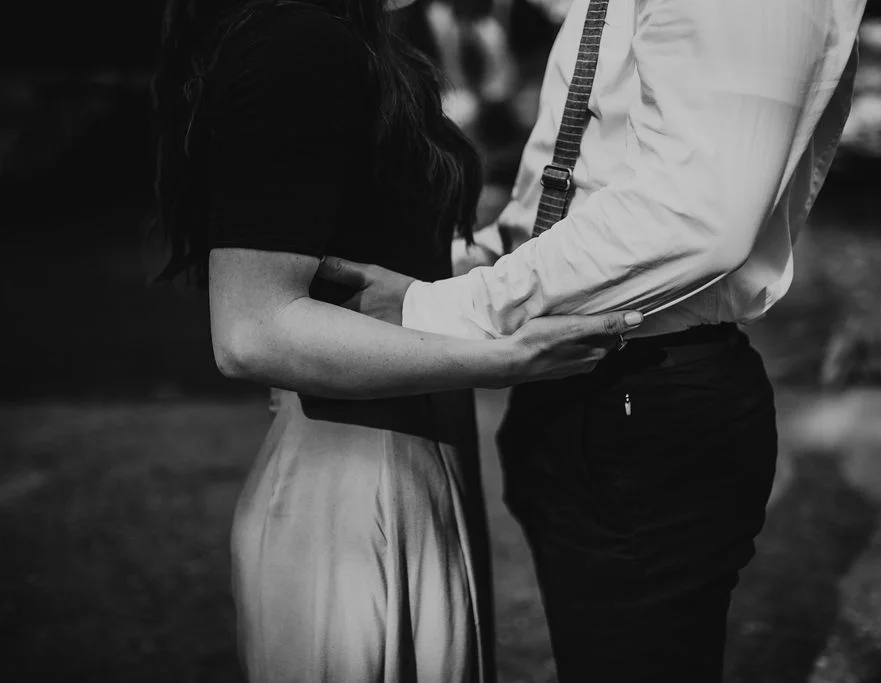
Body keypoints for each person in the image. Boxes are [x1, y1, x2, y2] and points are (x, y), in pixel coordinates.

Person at [314, 0, 869, 680]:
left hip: (649, 399)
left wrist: (437, 307)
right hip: (592, 386)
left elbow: (691, 215)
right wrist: (457, 264)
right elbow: (579, 181)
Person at [149, 0, 644, 681]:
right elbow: (251, 328)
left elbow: (381, 246)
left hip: (414, 448)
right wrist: (505, 358)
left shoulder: (353, 40)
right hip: (354, 473)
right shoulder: (296, 40)